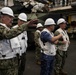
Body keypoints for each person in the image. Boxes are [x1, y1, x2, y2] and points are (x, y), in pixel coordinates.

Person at [0, 7, 37, 75]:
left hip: (11, 62)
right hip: (6, 64)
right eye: (10, 17)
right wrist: (26, 25)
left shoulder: (7, 28)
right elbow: (8, 34)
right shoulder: (2, 28)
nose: (12, 20)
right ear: (2, 17)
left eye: (12, 18)